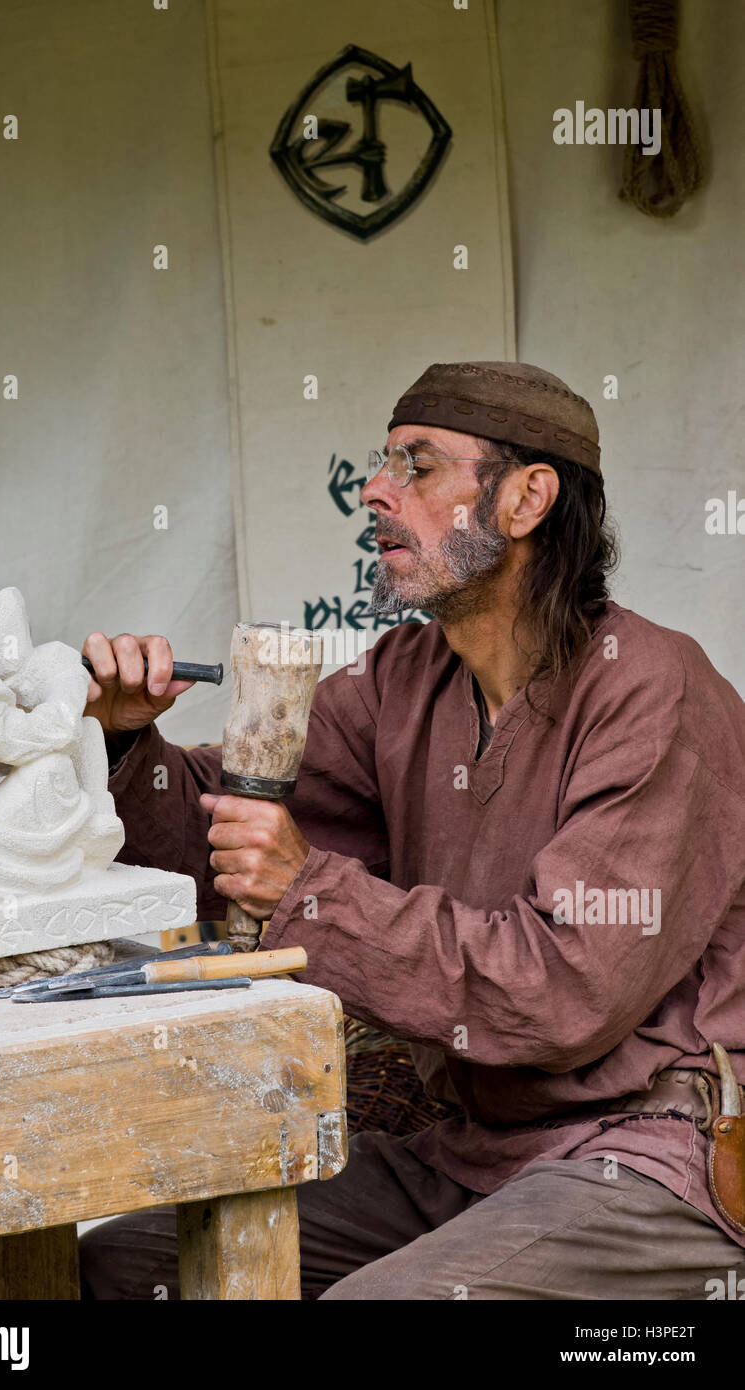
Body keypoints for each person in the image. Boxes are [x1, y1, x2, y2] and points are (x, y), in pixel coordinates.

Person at [78, 361, 745, 1300]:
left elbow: (565, 991)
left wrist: (305, 889)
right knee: (125, 1266)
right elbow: (223, 838)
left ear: (525, 498)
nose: (375, 490)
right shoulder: (404, 676)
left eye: (417, 465)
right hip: (474, 1149)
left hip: (642, 1147)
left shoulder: (652, 688)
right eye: (383, 462)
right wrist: (121, 735)